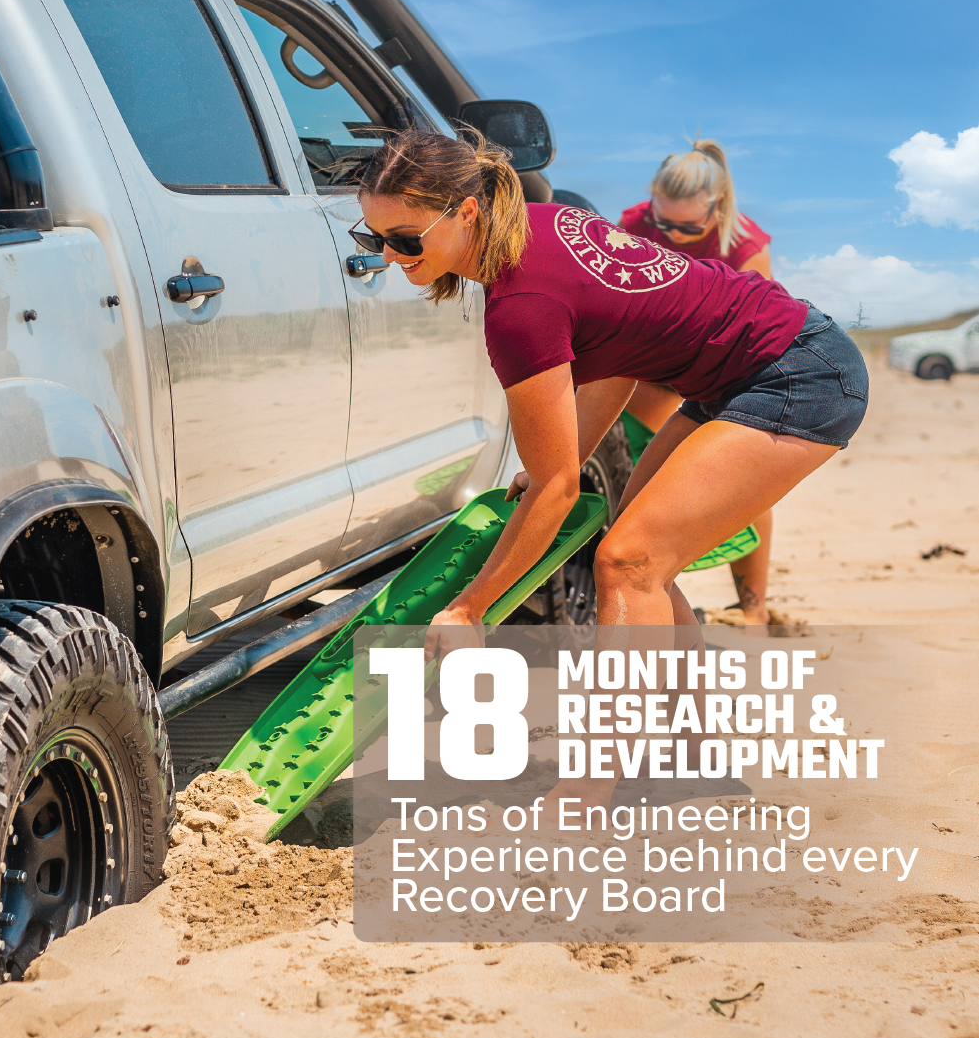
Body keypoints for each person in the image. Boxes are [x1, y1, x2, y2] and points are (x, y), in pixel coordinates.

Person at [348, 129, 867, 651]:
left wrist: (468, 610)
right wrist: (562, 460)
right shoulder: (538, 223)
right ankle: (694, 730)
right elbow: (621, 359)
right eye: (374, 238)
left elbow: (558, 491)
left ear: (465, 213)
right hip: (744, 372)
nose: (390, 257)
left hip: (799, 372)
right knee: (645, 562)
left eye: (406, 238)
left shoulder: (520, 308)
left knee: (627, 559)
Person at [621, 139, 776, 625]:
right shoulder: (633, 224)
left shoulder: (746, 245)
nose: (673, 234)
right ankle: (654, 593)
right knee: (641, 472)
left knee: (744, 486)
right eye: (663, 222)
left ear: (719, 207)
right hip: (652, 364)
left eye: (688, 227)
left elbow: (760, 334)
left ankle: (754, 608)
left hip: (721, 367)